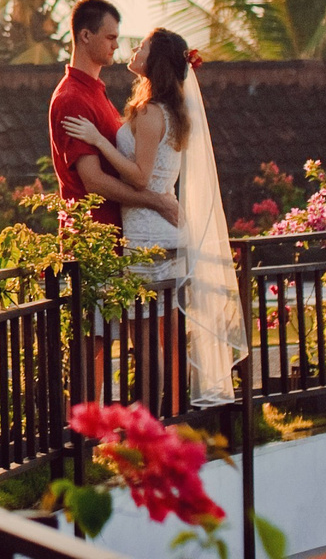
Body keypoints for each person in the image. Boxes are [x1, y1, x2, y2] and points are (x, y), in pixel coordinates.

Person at [58, 22, 247, 409]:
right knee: (151, 335)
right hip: (164, 233)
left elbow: (140, 176)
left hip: (146, 235)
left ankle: (146, 421)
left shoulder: (149, 113)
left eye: (141, 46)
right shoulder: (172, 111)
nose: (133, 50)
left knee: (142, 339)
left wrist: (97, 141)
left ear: (154, 61)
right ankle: (160, 416)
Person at [48, 0, 180, 235]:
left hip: (119, 237)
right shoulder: (72, 98)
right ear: (86, 36)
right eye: (110, 38)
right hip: (91, 242)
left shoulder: (96, 91)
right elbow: (94, 181)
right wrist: (157, 201)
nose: (117, 46)